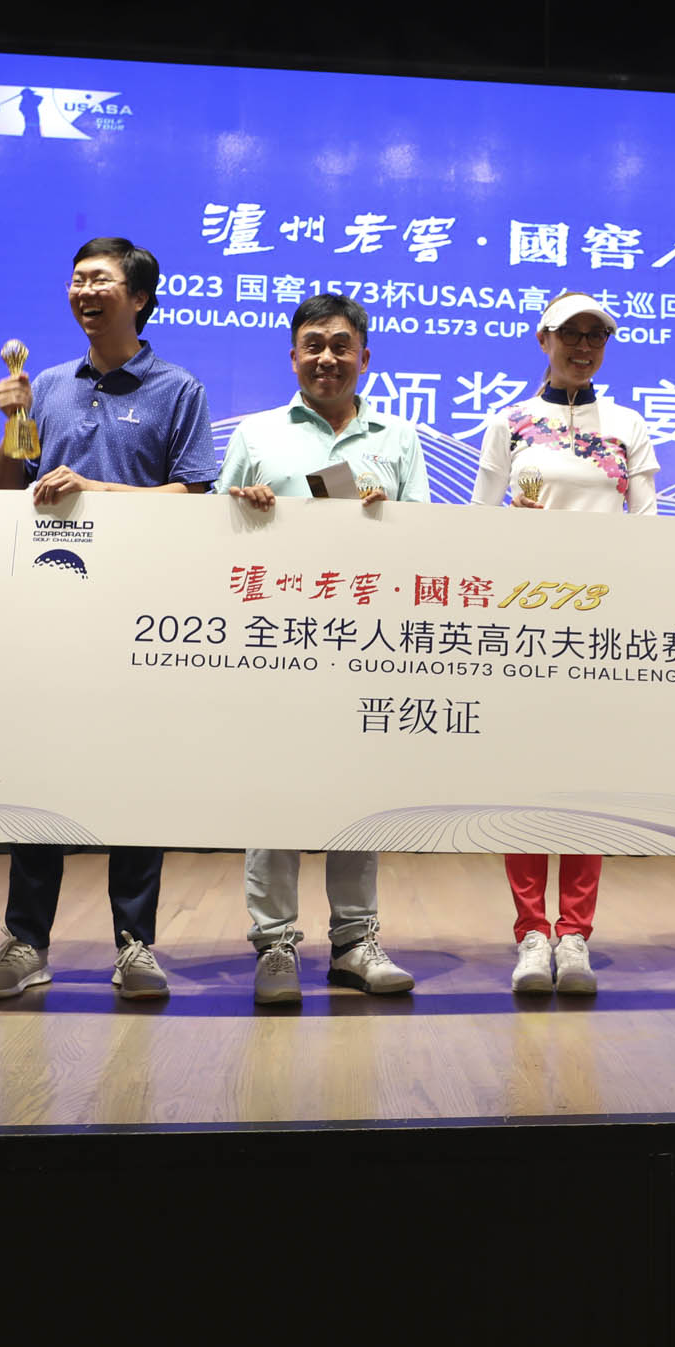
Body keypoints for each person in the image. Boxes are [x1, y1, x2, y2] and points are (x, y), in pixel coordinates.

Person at [0, 238, 217, 1003]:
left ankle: (135, 943)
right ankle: (26, 939)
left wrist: (97, 491)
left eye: (99, 279)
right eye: (76, 279)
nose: (84, 290)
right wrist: (13, 425)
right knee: (39, 767)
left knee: (138, 775)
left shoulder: (177, 388)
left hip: (144, 611)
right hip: (55, 608)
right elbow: (8, 489)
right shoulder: (44, 384)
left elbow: (194, 496)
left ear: (138, 297)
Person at [217, 293, 422, 1004]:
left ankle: (354, 941)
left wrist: (387, 521)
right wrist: (242, 509)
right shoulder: (257, 434)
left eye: (341, 345)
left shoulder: (398, 438)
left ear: (365, 357)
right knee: (274, 791)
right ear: (293, 355)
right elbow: (212, 538)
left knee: (357, 792)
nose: (327, 357)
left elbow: (429, 543)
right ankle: (274, 943)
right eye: (314, 345)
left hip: (367, 643)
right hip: (274, 640)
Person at [471, 291, 660, 995]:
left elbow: (648, 525)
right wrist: (511, 528)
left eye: (596, 336)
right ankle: (531, 933)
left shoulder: (629, 425)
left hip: (602, 627)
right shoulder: (510, 422)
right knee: (523, 778)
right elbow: (477, 523)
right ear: (543, 338)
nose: (584, 347)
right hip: (525, 625)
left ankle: (574, 934)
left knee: (588, 778)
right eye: (571, 334)